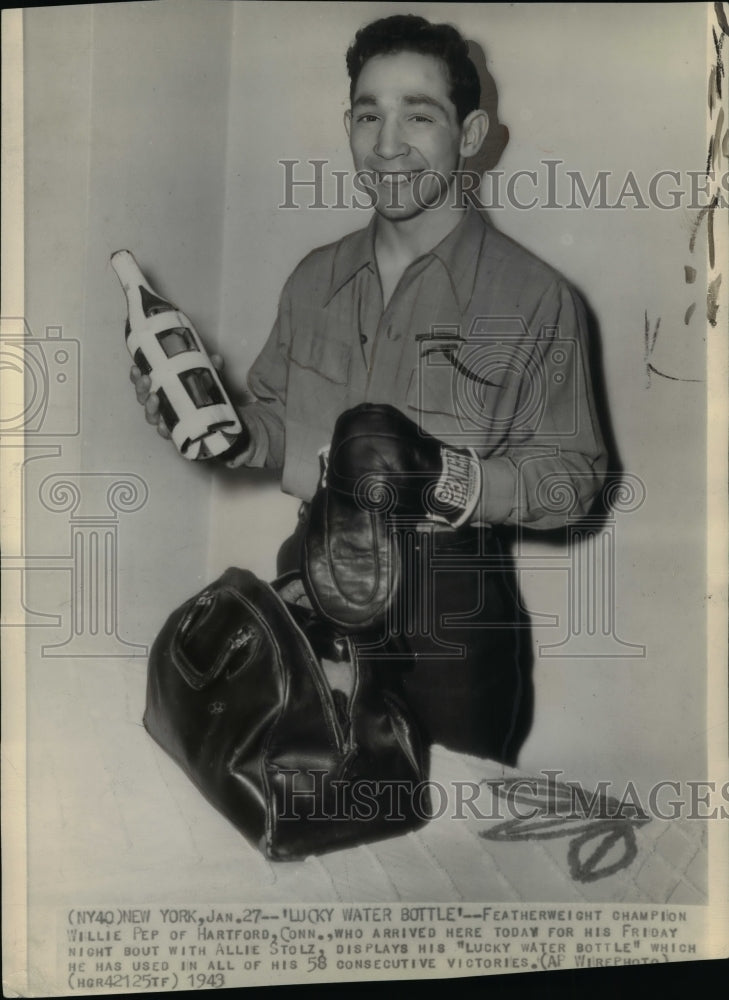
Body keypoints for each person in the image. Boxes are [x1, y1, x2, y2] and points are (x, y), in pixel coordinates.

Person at [132, 14, 607, 765]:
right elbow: (281, 428)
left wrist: (450, 479)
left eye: (419, 115)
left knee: (439, 857)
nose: (387, 144)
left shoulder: (535, 298)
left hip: (449, 623)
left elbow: (574, 483)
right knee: (297, 826)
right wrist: (225, 425)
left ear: (472, 130)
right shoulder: (315, 278)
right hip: (309, 594)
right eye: (367, 115)